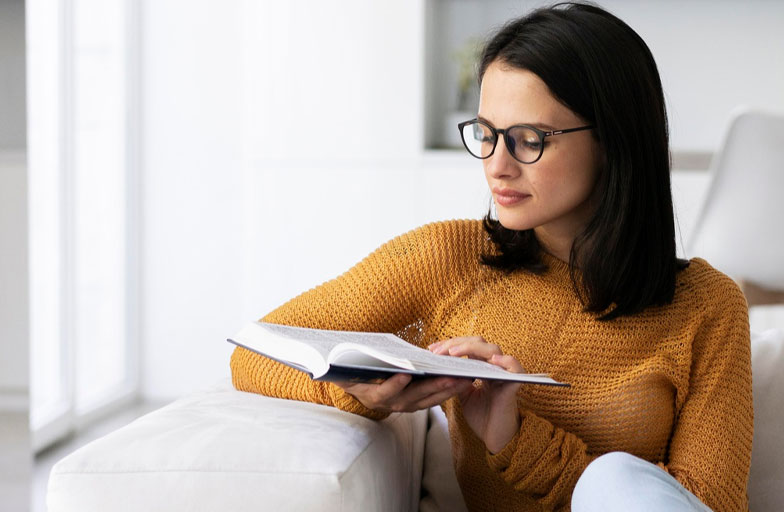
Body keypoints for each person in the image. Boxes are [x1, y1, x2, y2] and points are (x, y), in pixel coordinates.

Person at [230, 3, 753, 511]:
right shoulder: (449, 260)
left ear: (613, 140)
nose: (497, 165)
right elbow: (254, 352)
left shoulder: (707, 305)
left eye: (527, 139)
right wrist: (368, 397)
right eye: (486, 134)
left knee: (614, 479)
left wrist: (517, 440)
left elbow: (708, 502)